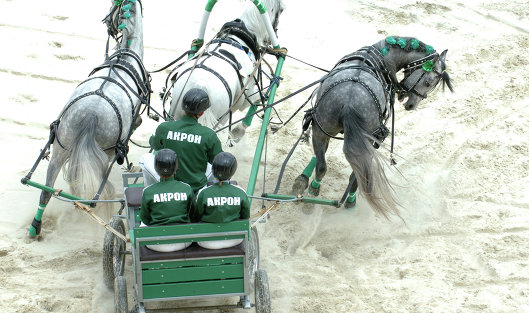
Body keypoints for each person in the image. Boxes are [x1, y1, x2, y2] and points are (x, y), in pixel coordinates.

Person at [141, 88, 223, 192]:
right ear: (201, 113)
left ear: (183, 107)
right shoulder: (209, 134)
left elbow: (154, 145)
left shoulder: (164, 127)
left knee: (145, 158)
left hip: (169, 182)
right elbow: (218, 161)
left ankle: (153, 189)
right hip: (196, 187)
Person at [140, 149, 194, 252]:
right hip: (184, 242)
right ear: (175, 168)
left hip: (155, 244)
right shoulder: (186, 188)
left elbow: (146, 219)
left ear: (156, 169)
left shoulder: (148, 191)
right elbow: (192, 215)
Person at [193, 152, 250, 249]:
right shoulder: (241, 192)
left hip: (206, 242)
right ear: (233, 171)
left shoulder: (203, 192)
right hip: (235, 239)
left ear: (213, 169)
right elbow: (245, 217)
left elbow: (196, 217)